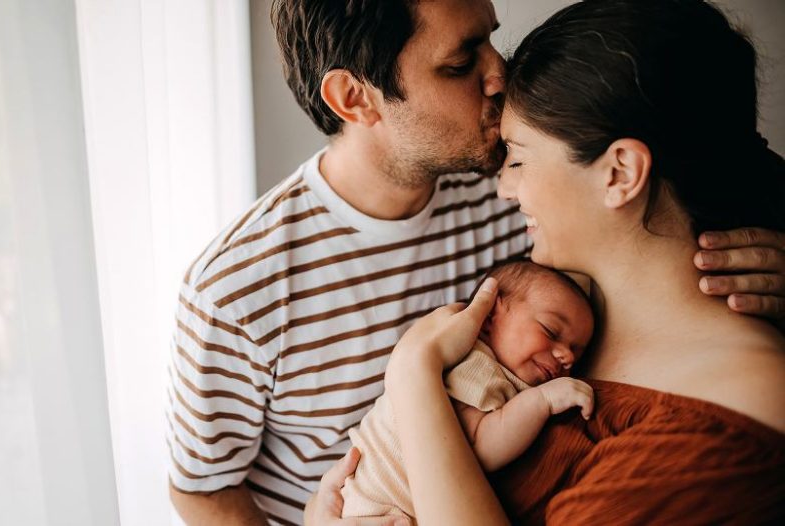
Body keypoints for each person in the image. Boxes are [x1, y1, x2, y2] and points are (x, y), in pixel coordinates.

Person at [167, 1, 785, 524]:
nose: (499, 73)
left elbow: (693, 144)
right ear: (354, 97)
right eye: (460, 62)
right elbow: (203, 486)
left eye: (492, 39)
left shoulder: (513, 200)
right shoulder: (234, 289)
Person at [342, 262, 595, 523]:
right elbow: (480, 450)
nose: (566, 356)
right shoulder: (476, 365)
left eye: (576, 352)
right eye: (551, 331)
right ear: (487, 318)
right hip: (378, 510)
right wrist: (542, 400)